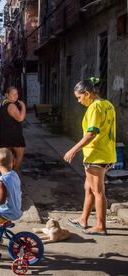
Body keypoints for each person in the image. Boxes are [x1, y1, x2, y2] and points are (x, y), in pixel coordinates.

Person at [64, 78, 116, 236]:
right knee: (89, 188)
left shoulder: (94, 107)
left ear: (87, 93)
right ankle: (83, 220)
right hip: (106, 152)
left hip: (96, 155)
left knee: (98, 191)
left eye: (79, 97)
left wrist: (73, 149)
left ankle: (101, 226)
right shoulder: (108, 105)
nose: (79, 101)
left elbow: (92, 132)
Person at [0, 86, 26, 171]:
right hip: (14, 134)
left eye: (16, 94)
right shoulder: (12, 106)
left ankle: (6, 174)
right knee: (19, 155)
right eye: (13, 94)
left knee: (7, 158)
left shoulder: (3, 105)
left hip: (4, 133)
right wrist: (23, 106)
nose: (15, 96)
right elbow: (20, 118)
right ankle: (12, 174)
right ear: (7, 95)